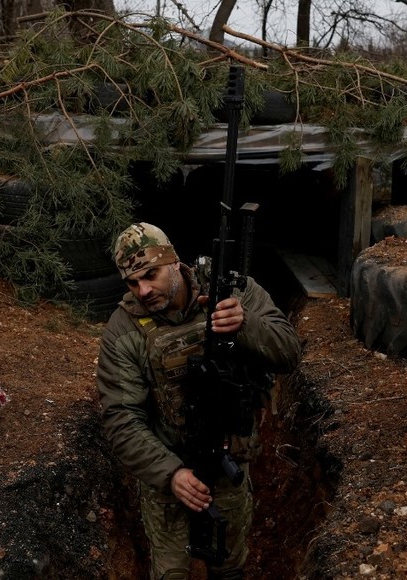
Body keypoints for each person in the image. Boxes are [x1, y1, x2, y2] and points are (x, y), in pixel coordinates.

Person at [96, 222, 302, 580]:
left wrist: (246, 323)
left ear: (174, 262)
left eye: (151, 275)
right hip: (167, 472)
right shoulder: (123, 330)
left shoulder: (234, 291)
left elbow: (288, 353)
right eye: (132, 283)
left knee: (230, 567)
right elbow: (121, 419)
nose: (143, 290)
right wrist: (171, 474)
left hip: (228, 463)